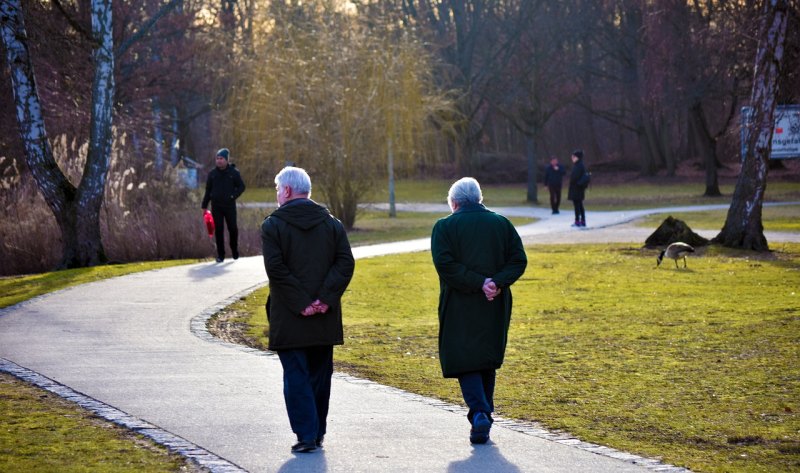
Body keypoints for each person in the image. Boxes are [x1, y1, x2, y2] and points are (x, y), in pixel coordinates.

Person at [261, 166, 355, 454]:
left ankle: (306, 434)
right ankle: (317, 432)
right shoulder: (332, 224)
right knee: (319, 374)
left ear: (287, 191)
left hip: (289, 316)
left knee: (296, 375)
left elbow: (276, 269)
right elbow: (345, 263)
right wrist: (324, 300)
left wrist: (303, 303)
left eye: (278, 189)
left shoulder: (272, 226)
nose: (277, 195)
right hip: (324, 318)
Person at [430, 177, 528, 445]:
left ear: (454, 202)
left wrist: (478, 282)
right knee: (486, 357)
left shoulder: (444, 227)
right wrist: (495, 282)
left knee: (465, 358)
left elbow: (445, 264)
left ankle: (480, 413)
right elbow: (518, 260)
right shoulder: (501, 224)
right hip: (494, 301)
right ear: (479, 198)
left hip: (460, 303)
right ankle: (483, 414)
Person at [201, 148, 246, 262]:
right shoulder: (212, 174)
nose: (219, 161)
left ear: (226, 160)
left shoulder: (234, 173)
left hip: (229, 206)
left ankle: (234, 249)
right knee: (219, 230)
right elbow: (208, 190)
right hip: (216, 206)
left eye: (221, 159)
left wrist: (233, 196)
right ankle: (221, 255)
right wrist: (204, 206)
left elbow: (241, 187)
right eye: (217, 158)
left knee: (233, 229)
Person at [568, 149, 589, 227]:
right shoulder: (579, 165)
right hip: (578, 188)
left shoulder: (578, 166)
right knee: (579, 205)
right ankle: (582, 220)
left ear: (578, 157)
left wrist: (573, 181)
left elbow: (575, 177)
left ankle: (578, 221)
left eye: (574, 156)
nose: (572, 158)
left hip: (576, 188)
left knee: (577, 205)